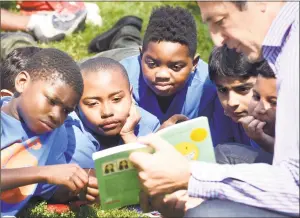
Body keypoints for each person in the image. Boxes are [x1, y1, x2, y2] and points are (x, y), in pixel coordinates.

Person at [129, 1, 299, 217]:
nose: (217, 40)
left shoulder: (294, 56)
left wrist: (191, 177)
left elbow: (294, 187)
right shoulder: (283, 48)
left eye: (221, 21)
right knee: (227, 154)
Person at [1, 48, 98, 217]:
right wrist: (44, 172)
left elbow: (45, 190)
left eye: (66, 111)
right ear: (22, 82)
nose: (57, 116)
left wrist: (79, 188)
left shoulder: (53, 134)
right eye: (52, 101)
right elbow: (44, 175)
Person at [120, 6, 217, 124]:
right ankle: (126, 32)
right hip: (120, 54)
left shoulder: (211, 87)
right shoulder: (121, 78)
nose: (162, 75)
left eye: (176, 67)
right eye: (152, 64)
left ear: (194, 64)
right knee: (124, 46)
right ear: (141, 56)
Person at [64, 57, 160, 170]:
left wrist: (128, 135)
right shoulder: (71, 135)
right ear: (76, 105)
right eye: (93, 103)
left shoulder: (148, 124)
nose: (107, 112)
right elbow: (89, 182)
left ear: (130, 94)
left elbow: (157, 174)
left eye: (116, 99)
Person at [208, 46, 274, 165]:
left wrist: (263, 141)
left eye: (243, 89)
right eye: (223, 90)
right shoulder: (222, 113)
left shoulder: (284, 114)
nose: (231, 102)